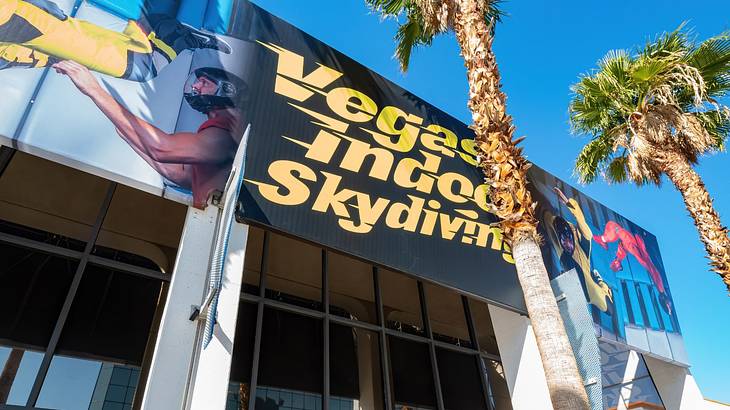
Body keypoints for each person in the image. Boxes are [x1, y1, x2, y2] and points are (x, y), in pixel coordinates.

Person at [53, 60, 247, 208]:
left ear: (227, 89)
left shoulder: (228, 130)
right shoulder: (215, 131)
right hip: (207, 222)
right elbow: (179, 174)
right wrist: (130, 136)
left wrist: (93, 89)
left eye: (204, 83)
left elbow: (162, 148)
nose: (196, 87)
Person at [0, 0, 230, 80]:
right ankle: (159, 29)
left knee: (141, 66)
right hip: (17, 36)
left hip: (13, 23)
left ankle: (173, 34)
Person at [544, 187, 619, 333]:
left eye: (568, 238)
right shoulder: (562, 251)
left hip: (592, 291)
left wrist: (567, 201)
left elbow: (582, 223)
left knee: (609, 309)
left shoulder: (584, 244)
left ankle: (604, 286)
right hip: (575, 292)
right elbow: (548, 223)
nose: (566, 242)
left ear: (573, 236)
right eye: (563, 240)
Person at [594, 220, 673, 314]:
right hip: (638, 239)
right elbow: (653, 270)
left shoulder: (642, 254)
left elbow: (625, 244)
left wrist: (618, 259)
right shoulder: (647, 256)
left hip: (637, 241)